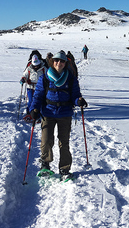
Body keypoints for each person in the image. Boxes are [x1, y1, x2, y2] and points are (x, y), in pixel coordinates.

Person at [30, 50, 87, 180]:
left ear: (65, 63)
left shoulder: (71, 78)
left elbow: (75, 95)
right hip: (48, 113)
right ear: (52, 62)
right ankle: (45, 165)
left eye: (61, 61)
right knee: (46, 140)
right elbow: (38, 96)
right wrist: (34, 109)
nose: (58, 63)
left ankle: (64, 169)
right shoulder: (44, 78)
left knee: (64, 142)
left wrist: (79, 101)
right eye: (56, 60)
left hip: (65, 113)